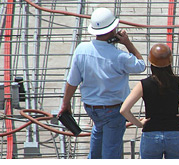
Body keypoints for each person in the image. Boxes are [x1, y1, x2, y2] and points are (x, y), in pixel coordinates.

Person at [57, 8, 146, 159]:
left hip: (92, 108)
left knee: (98, 132)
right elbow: (141, 65)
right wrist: (127, 43)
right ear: (114, 29)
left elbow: (72, 81)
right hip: (114, 109)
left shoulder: (82, 50)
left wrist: (65, 103)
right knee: (112, 150)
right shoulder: (120, 56)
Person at [120, 43, 179, 159]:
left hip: (151, 134)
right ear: (170, 62)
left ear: (151, 63)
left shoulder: (143, 85)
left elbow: (124, 110)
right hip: (175, 133)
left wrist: (139, 123)